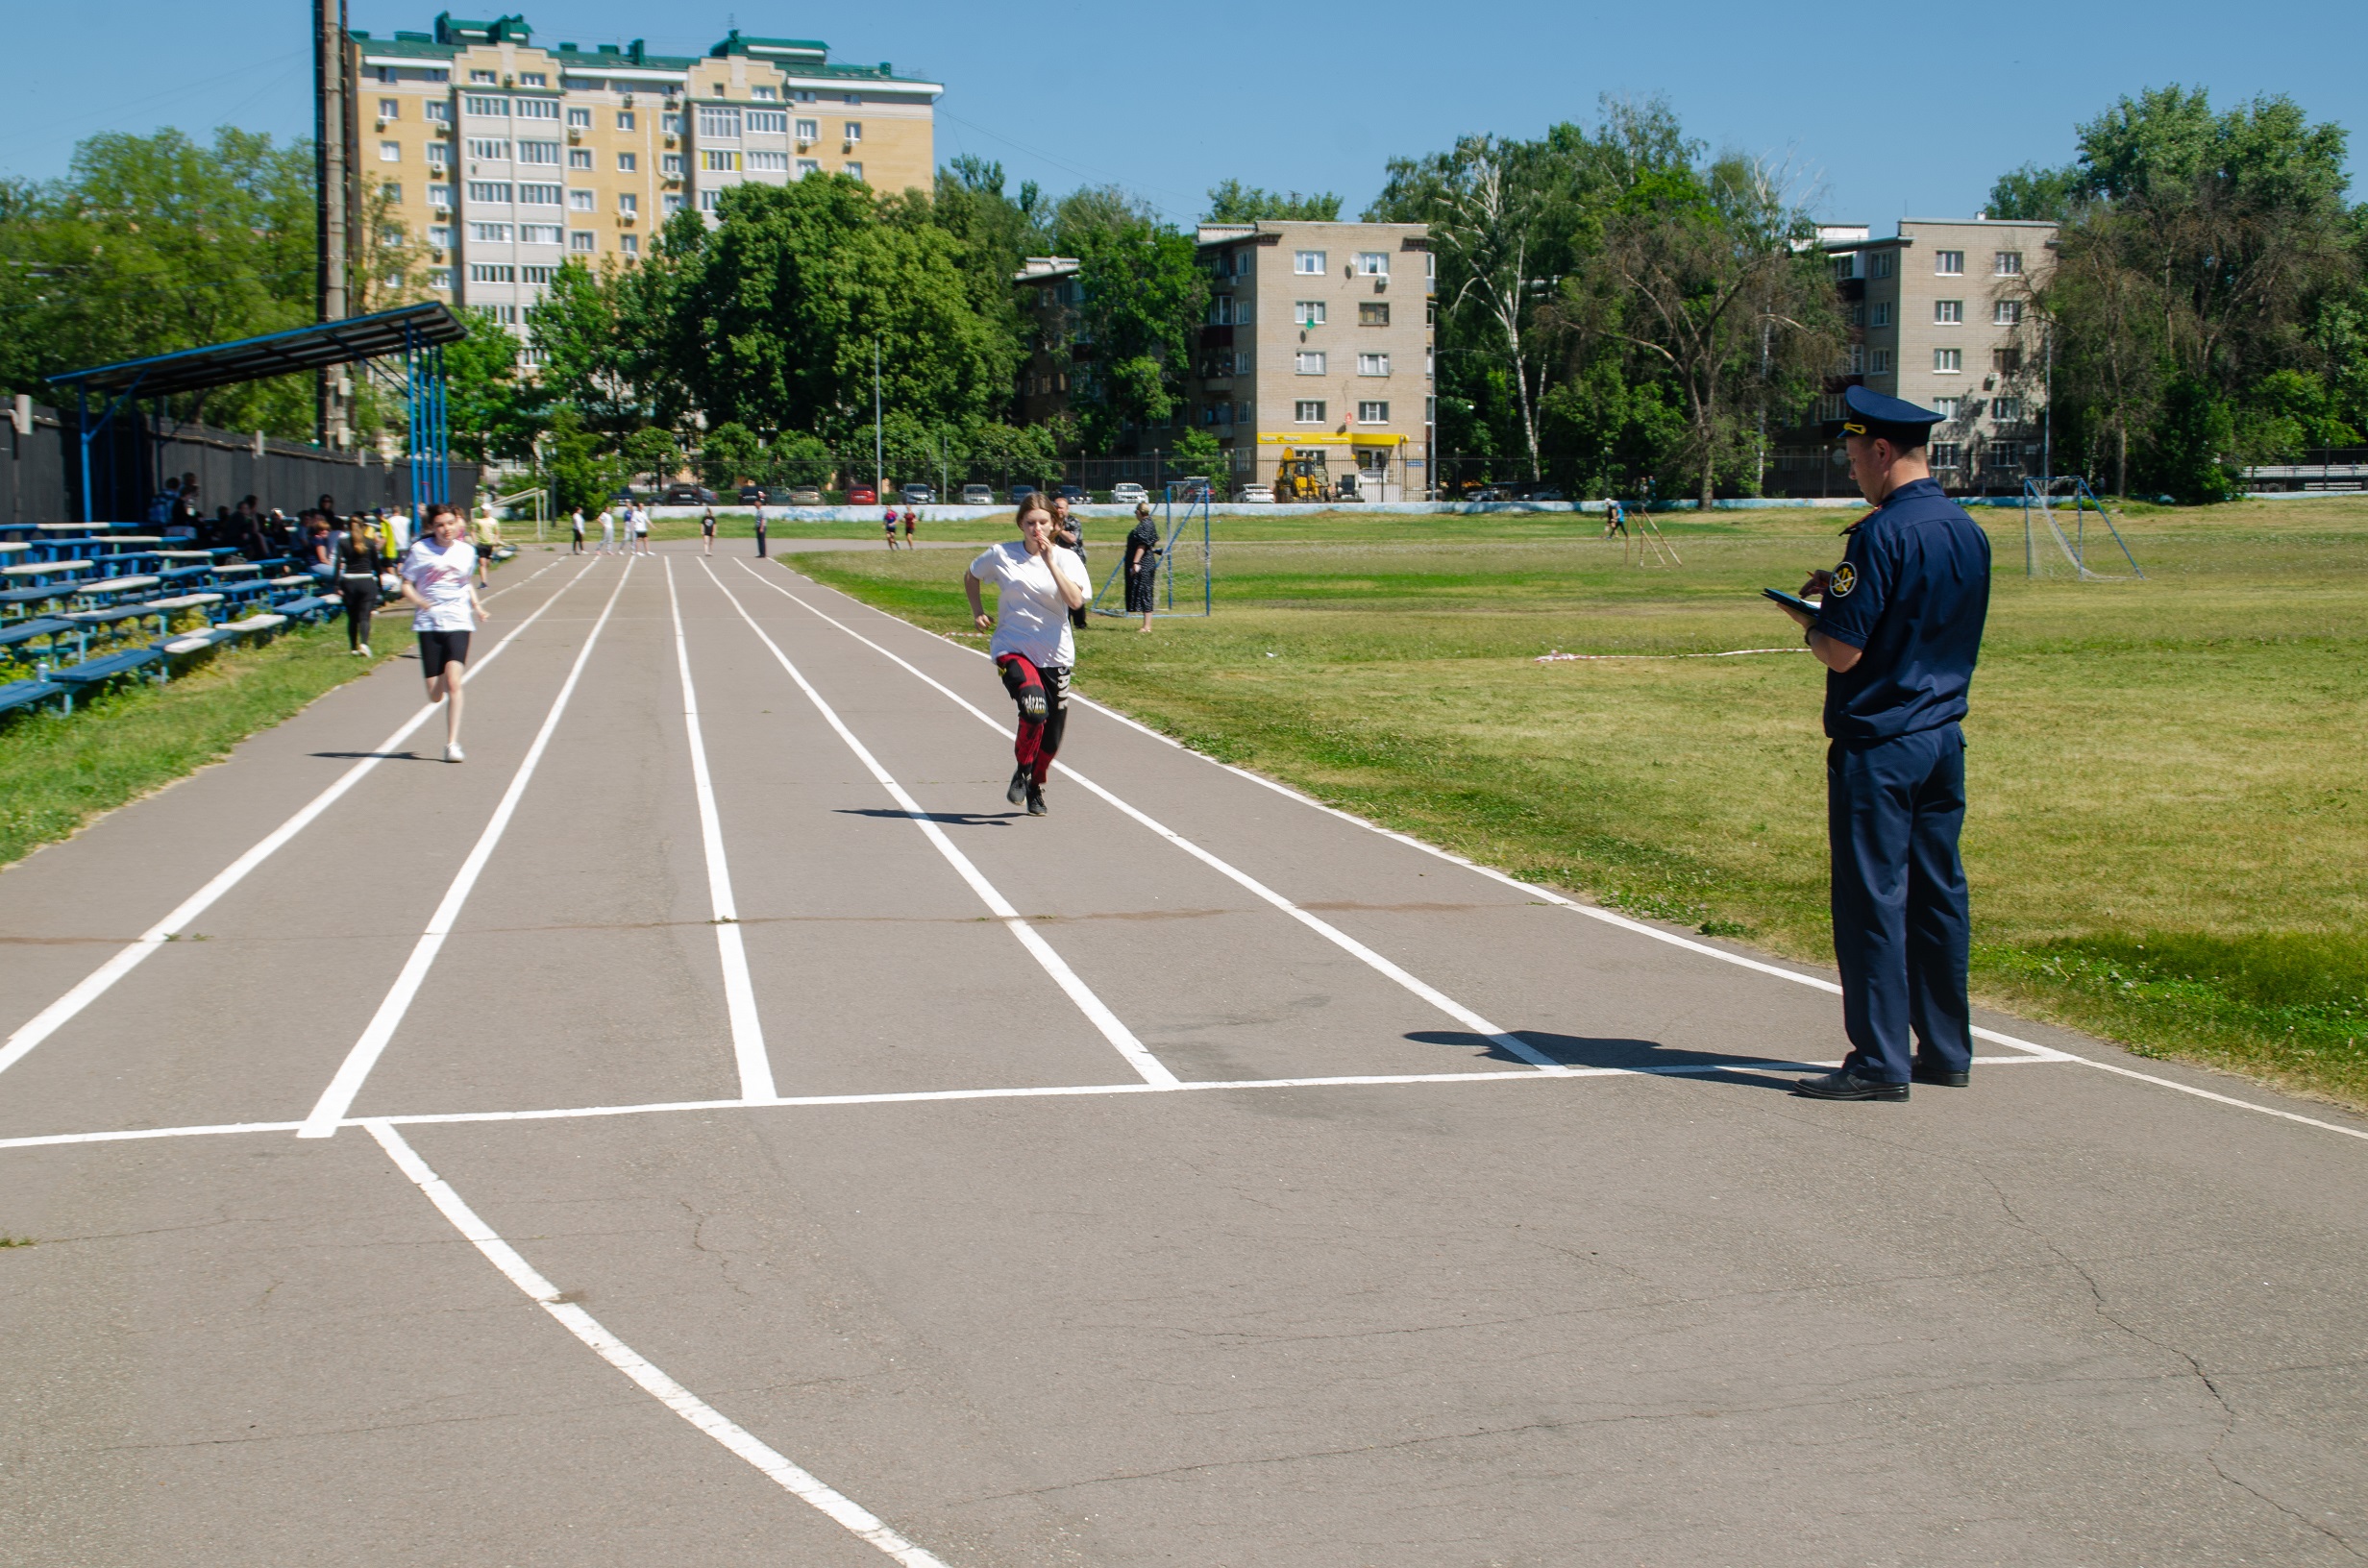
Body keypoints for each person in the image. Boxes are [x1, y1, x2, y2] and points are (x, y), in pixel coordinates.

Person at [1770, 384, 1991, 1103]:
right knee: (1937, 897)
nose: (1852, 469)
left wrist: (1808, 619)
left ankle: (1878, 1060)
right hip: (1941, 735)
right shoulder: (1966, 528)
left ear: (1882, 449)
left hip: (1881, 739)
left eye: (1855, 455)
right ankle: (1945, 1048)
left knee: (1873, 899)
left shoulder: (1878, 534)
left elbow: (1842, 651)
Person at [966, 502, 1089, 817]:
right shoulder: (1000, 554)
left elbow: (1075, 602)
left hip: (1056, 654)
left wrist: (1051, 562)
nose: (1037, 529)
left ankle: (1035, 783)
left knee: (1053, 735)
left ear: (1053, 525)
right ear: (1021, 524)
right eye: (1030, 523)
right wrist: (978, 611)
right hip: (1013, 647)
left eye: (1043, 522)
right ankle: (1023, 771)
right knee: (1034, 708)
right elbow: (971, 575)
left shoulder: (1067, 559)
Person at [399, 504, 489, 763]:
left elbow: (466, 583)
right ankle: (437, 690)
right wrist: (420, 602)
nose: (446, 529)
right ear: (432, 527)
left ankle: (452, 744)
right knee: (435, 695)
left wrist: (478, 607)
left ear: (458, 524)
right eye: (440, 525)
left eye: (450, 523)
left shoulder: (466, 551)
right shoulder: (420, 551)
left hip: (459, 621)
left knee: (454, 682)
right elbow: (405, 584)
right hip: (429, 624)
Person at [333, 511, 388, 656]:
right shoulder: (369, 543)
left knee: (352, 617)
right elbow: (377, 566)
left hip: (349, 581)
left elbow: (337, 563)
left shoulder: (342, 542)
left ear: (347, 528)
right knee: (364, 616)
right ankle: (364, 643)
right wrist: (380, 586)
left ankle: (353, 647)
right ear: (363, 527)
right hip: (366, 581)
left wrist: (336, 585)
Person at [1048, 494, 1089, 630]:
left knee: (1076, 590)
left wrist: (1057, 530)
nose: (1058, 510)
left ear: (1067, 509)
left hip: (1074, 561)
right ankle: (1063, 620)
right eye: (1056, 507)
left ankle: (1080, 622)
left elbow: (1072, 538)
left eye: (1061, 508)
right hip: (1057, 561)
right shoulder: (1050, 522)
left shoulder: (1074, 522)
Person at [1122, 502, 1161, 631]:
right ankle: (1146, 625)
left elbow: (1142, 545)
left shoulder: (1145, 524)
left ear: (1140, 512)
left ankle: (1147, 626)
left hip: (1144, 563)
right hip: (1145, 562)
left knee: (1145, 592)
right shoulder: (1148, 523)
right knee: (1143, 591)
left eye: (1136, 511)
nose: (1135, 514)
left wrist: (1135, 562)